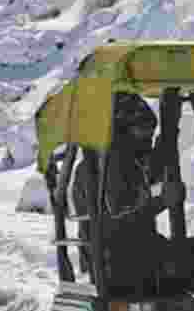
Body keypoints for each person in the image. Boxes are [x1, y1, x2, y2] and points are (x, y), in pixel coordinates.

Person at [71, 92, 184, 291]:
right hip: (119, 260)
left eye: (151, 133)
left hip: (132, 252)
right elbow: (122, 207)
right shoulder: (107, 163)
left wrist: (168, 138)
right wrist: (164, 201)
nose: (147, 140)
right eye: (143, 133)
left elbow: (148, 174)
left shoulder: (119, 158)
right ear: (121, 131)